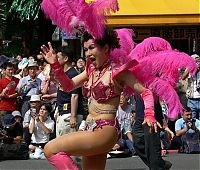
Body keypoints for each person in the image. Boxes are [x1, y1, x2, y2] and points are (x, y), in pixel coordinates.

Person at [40, 27, 156, 170]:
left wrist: (149, 114)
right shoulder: (91, 71)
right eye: (86, 49)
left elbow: (146, 92)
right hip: (90, 127)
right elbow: (68, 85)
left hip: (105, 130)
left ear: (106, 48)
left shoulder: (117, 72)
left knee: (50, 149)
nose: (88, 53)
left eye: (92, 48)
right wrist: (55, 65)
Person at [53, 46, 84, 137]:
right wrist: (51, 96)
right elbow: (64, 92)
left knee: (67, 147)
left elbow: (74, 95)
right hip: (62, 114)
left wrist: (73, 116)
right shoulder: (64, 74)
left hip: (69, 115)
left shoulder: (72, 74)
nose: (56, 60)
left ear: (66, 58)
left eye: (58, 57)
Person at [0, 62, 19, 127]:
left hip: (15, 107)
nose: (11, 71)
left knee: (15, 125)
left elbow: (20, 92)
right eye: (9, 69)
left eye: (12, 69)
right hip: (4, 107)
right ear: (4, 70)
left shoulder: (17, 80)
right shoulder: (1, 81)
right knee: (4, 126)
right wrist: (4, 92)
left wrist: (13, 95)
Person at [182, 54, 200, 120]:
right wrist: (191, 68)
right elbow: (183, 77)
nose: (196, 63)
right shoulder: (189, 69)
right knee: (192, 120)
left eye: (197, 61)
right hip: (192, 100)